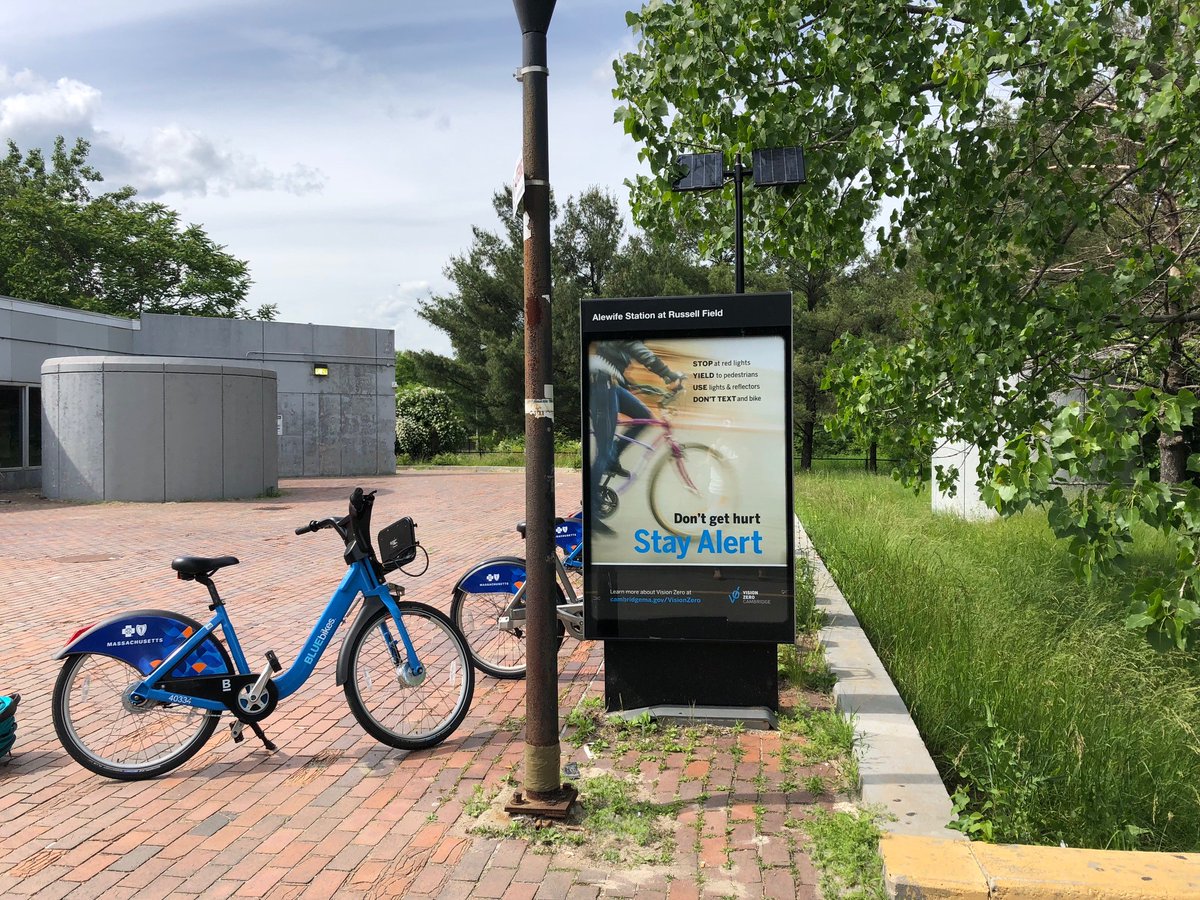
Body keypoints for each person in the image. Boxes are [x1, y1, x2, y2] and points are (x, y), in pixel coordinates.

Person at [588, 340, 683, 534]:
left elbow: (613, 359)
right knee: (604, 452)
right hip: (600, 380)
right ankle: (592, 513)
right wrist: (668, 374)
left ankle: (612, 459)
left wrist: (636, 386)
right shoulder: (626, 331)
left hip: (612, 382)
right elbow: (644, 354)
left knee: (645, 418)